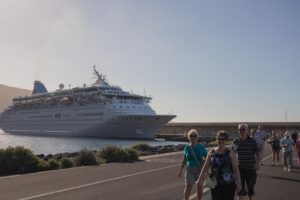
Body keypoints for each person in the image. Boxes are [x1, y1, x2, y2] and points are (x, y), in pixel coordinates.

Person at [197, 131, 241, 200]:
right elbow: (205, 166)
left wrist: (239, 183)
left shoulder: (230, 153)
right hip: (215, 184)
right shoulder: (211, 152)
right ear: (216, 139)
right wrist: (200, 179)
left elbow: (235, 168)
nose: (220, 140)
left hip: (229, 184)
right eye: (218, 138)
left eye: (223, 139)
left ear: (226, 140)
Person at [232, 124, 260, 200]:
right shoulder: (235, 141)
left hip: (250, 168)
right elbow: (232, 153)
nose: (241, 131)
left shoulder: (252, 141)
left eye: (243, 129)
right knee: (240, 186)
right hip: (239, 169)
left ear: (247, 130)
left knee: (250, 186)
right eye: (240, 129)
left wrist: (258, 163)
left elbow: (257, 152)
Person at [178, 129, 208, 200]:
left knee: (199, 186)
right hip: (189, 169)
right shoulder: (187, 147)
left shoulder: (201, 147)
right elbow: (184, 159)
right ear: (189, 137)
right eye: (191, 135)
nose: (193, 137)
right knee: (188, 186)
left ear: (197, 137)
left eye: (194, 135)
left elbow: (207, 157)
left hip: (199, 170)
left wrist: (206, 168)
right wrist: (180, 170)